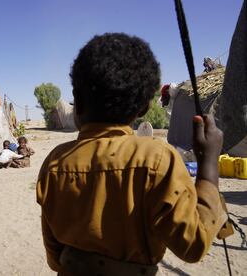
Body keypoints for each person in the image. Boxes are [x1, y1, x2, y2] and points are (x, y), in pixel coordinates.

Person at [36, 33, 228, 275]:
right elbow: (193, 245)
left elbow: (55, 259)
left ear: (78, 102)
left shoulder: (55, 162)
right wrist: (209, 165)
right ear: (145, 107)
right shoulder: (157, 159)